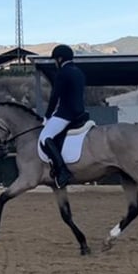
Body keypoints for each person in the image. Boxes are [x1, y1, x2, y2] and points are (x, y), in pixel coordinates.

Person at [39, 44, 87, 188]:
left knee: (45, 138)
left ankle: (62, 171)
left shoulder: (63, 73)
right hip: (80, 113)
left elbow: (55, 96)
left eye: (55, 60)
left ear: (60, 59)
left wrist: (47, 116)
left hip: (66, 114)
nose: (55, 62)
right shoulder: (78, 72)